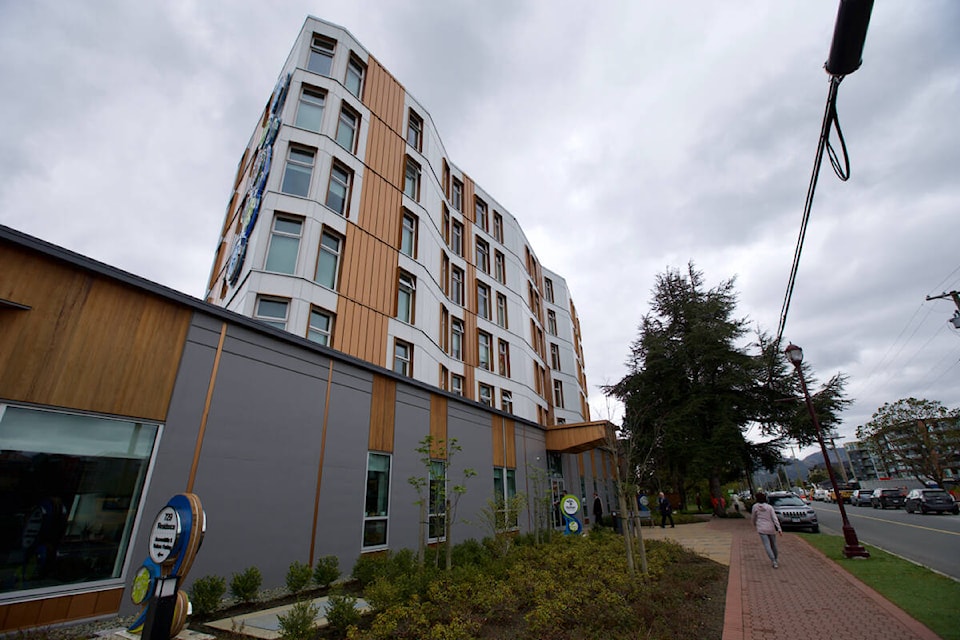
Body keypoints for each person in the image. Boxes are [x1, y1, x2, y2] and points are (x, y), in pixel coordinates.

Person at [751, 492, 782, 568]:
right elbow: (774, 518)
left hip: (761, 528)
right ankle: (776, 558)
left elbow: (753, 517)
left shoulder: (755, 507)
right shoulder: (769, 507)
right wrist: (779, 528)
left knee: (767, 545)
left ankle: (773, 561)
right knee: (773, 544)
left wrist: (754, 524)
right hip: (770, 528)